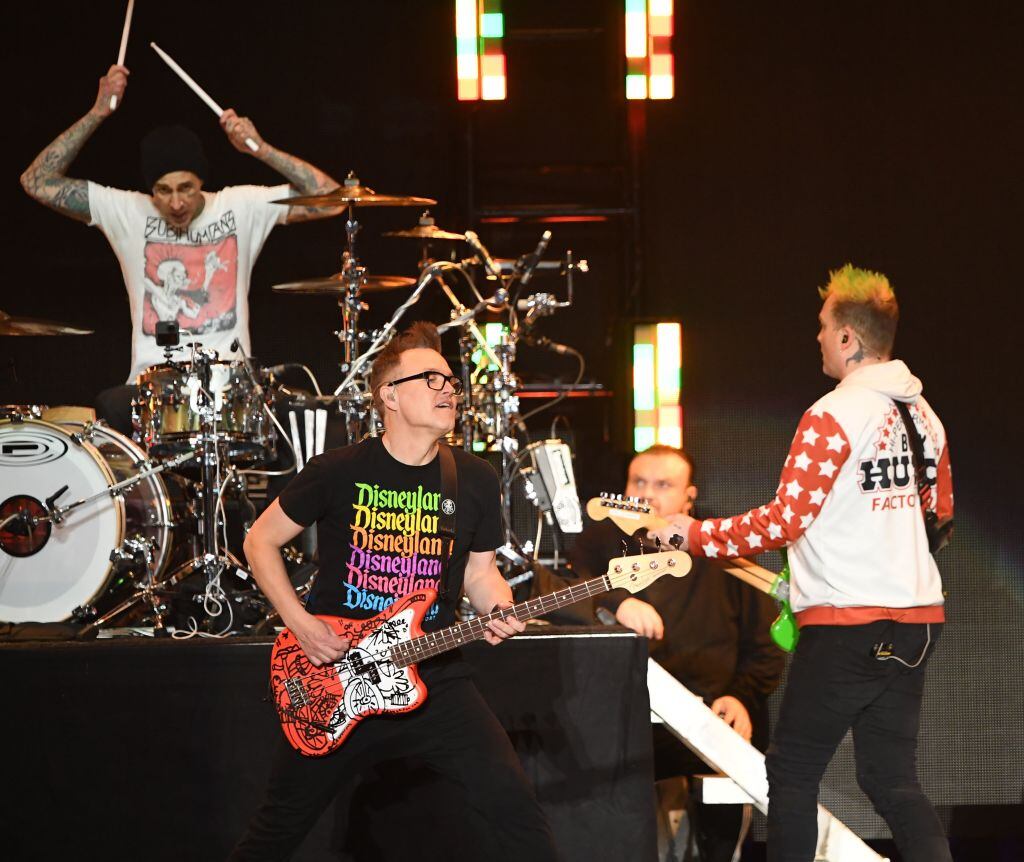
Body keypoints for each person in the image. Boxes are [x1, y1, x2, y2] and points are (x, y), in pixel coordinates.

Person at [649, 265, 954, 862]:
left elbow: (786, 518)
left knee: (789, 776)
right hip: (917, 622)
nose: (817, 338)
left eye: (823, 327)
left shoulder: (832, 414)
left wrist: (695, 534)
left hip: (847, 626)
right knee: (890, 780)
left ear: (848, 339)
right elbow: (937, 516)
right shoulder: (925, 417)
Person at [229, 322, 560, 861]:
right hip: (337, 677)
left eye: (452, 380)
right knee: (277, 829)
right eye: (431, 379)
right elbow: (259, 542)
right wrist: (301, 623)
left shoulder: (474, 478)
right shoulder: (337, 471)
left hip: (435, 674)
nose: (448, 389)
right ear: (389, 394)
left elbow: (480, 574)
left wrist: (499, 607)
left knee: (515, 809)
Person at [19, 63, 340, 434]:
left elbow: (332, 199)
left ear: (201, 180)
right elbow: (35, 181)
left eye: (186, 188)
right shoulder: (126, 210)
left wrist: (260, 149)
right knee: (109, 406)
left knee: (300, 419)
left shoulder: (241, 206)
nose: (175, 203)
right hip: (151, 391)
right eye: (163, 191)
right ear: (150, 189)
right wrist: (97, 113)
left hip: (230, 385)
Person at [569, 444, 784, 862]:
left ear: (690, 496)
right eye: (639, 483)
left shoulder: (723, 553)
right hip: (627, 723)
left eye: (664, 485)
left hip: (713, 718)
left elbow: (766, 647)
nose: (648, 494)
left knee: (720, 822)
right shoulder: (596, 547)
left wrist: (741, 696)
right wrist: (615, 601)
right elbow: (558, 593)